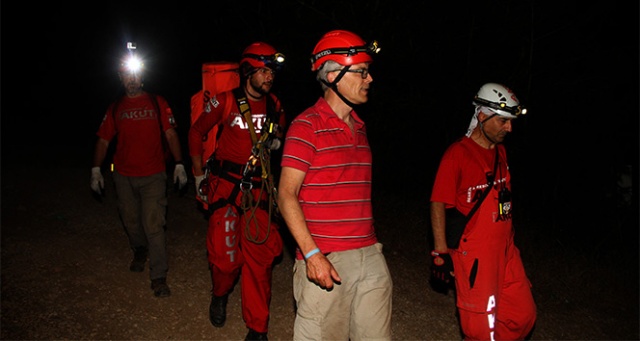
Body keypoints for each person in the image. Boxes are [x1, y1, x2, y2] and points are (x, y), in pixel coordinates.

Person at [277, 29, 392, 341]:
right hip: (326, 258)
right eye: (362, 72)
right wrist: (312, 255)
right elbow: (286, 195)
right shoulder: (306, 126)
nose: (369, 80)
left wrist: (374, 256)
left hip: (369, 256)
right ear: (333, 75)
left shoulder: (361, 127)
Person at [188, 42, 286, 341]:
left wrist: (276, 142)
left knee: (259, 261)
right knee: (226, 260)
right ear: (247, 72)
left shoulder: (276, 106)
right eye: (263, 71)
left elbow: (280, 134)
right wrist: (197, 174)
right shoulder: (224, 102)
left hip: (258, 192)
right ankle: (220, 293)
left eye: (272, 71)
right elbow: (196, 132)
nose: (269, 76)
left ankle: (258, 329)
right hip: (225, 189)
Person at [429, 82, 537, 340]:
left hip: (506, 251)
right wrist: (440, 253)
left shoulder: (501, 152)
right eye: (503, 121)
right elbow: (438, 203)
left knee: (522, 316)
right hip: (476, 255)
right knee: (480, 330)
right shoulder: (458, 155)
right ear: (481, 115)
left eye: (511, 122)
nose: (509, 129)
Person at [90, 44, 188, 298]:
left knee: (154, 224)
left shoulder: (157, 102)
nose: (131, 80)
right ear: (120, 77)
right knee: (131, 221)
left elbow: (170, 133)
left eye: (135, 75)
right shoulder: (115, 107)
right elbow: (103, 140)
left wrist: (179, 163)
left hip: (154, 175)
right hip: (122, 175)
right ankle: (139, 249)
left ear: (141, 77)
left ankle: (158, 276)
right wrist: (96, 170)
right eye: (126, 74)